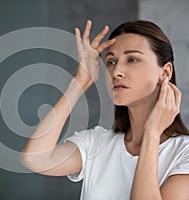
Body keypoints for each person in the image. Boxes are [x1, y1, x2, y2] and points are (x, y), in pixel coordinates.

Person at [21, 19, 189, 199]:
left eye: (132, 59)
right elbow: (35, 159)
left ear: (165, 72)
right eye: (111, 61)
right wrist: (81, 81)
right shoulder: (96, 144)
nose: (116, 71)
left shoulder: (184, 153)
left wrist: (152, 134)